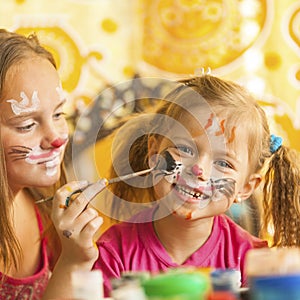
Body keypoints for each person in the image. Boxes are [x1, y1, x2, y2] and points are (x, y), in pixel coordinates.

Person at [92, 75, 300, 296]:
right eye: (185, 149)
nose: (199, 170)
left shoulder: (253, 262)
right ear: (153, 154)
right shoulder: (114, 251)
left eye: (223, 163)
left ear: (246, 188)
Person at [0, 29, 104, 299]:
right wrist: (72, 263)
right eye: (27, 125)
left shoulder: (42, 201)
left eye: (58, 113)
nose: (57, 138)